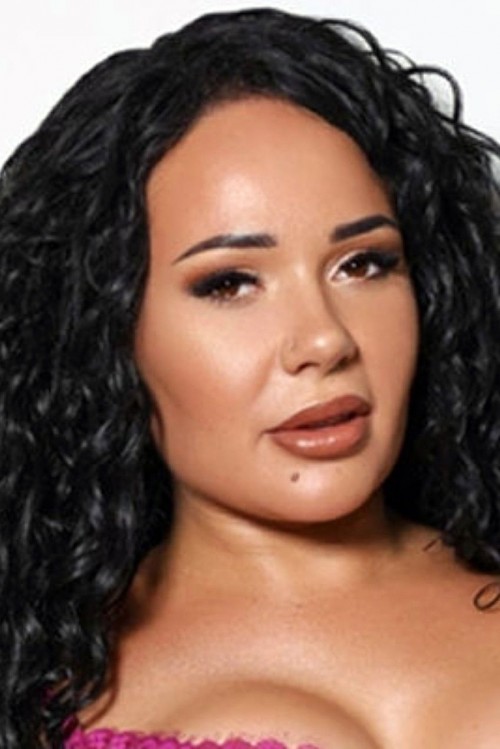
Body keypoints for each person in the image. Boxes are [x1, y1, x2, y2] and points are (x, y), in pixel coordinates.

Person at [1, 7, 500, 748]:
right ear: (104, 332)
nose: (325, 339)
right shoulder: (34, 677)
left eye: (364, 264)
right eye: (230, 283)